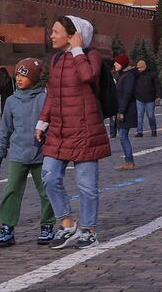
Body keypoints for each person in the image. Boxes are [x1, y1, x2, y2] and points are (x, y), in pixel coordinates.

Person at [37, 15, 111, 250]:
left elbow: (87, 75)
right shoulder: (56, 59)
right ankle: (68, 224)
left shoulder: (91, 56)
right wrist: (42, 122)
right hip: (59, 129)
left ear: (73, 35)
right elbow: (51, 93)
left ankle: (89, 230)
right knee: (48, 176)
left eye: (56, 31)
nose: (52, 36)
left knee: (86, 185)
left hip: (84, 128)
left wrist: (78, 50)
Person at [0, 57, 56, 247]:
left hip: (41, 154)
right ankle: (7, 228)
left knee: (46, 191)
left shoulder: (44, 99)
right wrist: (0, 153)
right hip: (18, 155)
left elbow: (52, 124)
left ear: (34, 78)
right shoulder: (11, 101)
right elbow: (5, 129)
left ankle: (48, 225)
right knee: (11, 191)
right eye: (17, 74)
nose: (19, 78)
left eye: (24, 75)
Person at [112, 54, 137, 171]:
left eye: (116, 62)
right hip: (123, 109)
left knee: (122, 136)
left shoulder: (128, 76)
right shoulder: (123, 76)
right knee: (122, 136)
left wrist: (121, 111)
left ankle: (129, 161)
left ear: (122, 64)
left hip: (127, 111)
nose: (114, 64)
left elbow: (127, 94)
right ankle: (129, 161)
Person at [133, 57, 160, 137]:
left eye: (140, 68)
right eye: (138, 68)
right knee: (139, 116)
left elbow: (157, 85)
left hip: (150, 98)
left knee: (150, 115)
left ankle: (153, 129)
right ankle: (139, 131)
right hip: (139, 98)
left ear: (144, 67)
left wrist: (158, 96)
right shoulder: (136, 75)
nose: (139, 69)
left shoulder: (152, 74)